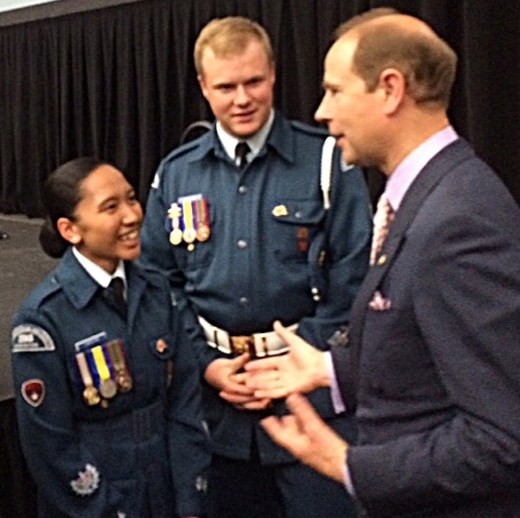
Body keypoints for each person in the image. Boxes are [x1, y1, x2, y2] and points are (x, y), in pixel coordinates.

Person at [245, 7, 520, 517]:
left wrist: (350, 465)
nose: (322, 111)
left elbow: (503, 436)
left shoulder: (458, 221)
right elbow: (425, 354)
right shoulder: (426, 196)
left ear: (391, 89)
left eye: (335, 90)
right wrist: (331, 369)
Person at [139, 15, 372, 518]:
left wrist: (294, 363)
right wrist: (209, 366)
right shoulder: (176, 174)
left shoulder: (328, 161)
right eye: (226, 86)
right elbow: (161, 284)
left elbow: (354, 279)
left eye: (253, 82)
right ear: (203, 87)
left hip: (310, 403)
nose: (242, 99)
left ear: (273, 75)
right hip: (216, 408)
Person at [10, 157, 210, 518]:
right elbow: (51, 448)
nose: (132, 216)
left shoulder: (156, 291)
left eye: (132, 199)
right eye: (111, 207)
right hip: (96, 503)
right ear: (71, 230)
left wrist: (189, 495)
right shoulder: (42, 321)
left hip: (165, 493)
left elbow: (184, 401)